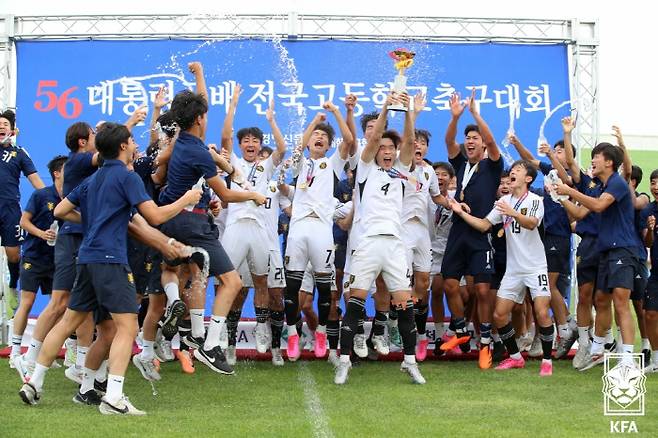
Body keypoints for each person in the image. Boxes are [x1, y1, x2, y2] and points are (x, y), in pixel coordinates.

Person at [18, 122, 201, 415]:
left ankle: (34, 382)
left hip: (87, 259)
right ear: (123, 146)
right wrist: (187, 199)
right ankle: (114, 397)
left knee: (69, 322)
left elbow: (60, 211)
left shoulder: (93, 179)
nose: (134, 145)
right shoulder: (126, 178)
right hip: (111, 261)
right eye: (131, 141)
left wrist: (92, 221)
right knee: (127, 327)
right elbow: (153, 215)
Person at [158, 86, 266, 375]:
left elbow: (170, 162)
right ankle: (210, 345)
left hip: (171, 221)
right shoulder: (198, 151)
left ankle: (187, 323)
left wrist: (222, 163)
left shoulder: (181, 141)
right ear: (199, 120)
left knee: (190, 275)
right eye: (205, 115)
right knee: (232, 283)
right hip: (193, 222)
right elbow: (227, 196)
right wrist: (254, 195)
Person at [335, 92, 426, 385]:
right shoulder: (365, 168)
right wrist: (387, 106)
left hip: (394, 245)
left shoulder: (400, 171)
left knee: (405, 304)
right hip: (368, 242)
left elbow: (410, 143)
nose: (386, 151)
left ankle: (410, 362)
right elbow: (373, 140)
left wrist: (410, 111)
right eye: (382, 147)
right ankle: (345, 361)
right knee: (356, 301)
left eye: (391, 148)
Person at [450, 160, 555, 376]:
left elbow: (532, 223)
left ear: (528, 178)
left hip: (535, 267)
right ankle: (516, 358)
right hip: (514, 269)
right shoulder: (504, 201)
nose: (513, 172)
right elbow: (484, 225)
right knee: (499, 315)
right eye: (512, 170)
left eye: (518, 170)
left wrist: (512, 212)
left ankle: (547, 360)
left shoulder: (535, 200)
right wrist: (459, 211)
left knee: (542, 312)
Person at [555, 142, 645, 368]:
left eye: (597, 157)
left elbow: (597, 206)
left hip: (624, 249)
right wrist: (560, 197)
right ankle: (597, 348)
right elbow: (580, 212)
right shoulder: (599, 187)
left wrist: (570, 191)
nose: (592, 161)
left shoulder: (617, 183)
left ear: (609, 162)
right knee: (601, 300)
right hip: (606, 251)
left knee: (621, 303)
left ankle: (627, 357)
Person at [283, 103, 353, 361]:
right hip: (299, 228)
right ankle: (292, 333)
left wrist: (336, 113)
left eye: (324, 136)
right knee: (292, 286)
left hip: (322, 229)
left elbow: (349, 140)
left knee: (325, 288)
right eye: (316, 135)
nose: (320, 138)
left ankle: (322, 331)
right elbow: (297, 148)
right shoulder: (300, 163)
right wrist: (314, 122)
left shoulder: (332, 164)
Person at [439, 90, 503, 369]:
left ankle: (486, 344)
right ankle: (461, 333)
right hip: (458, 230)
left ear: (484, 146)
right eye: (468, 138)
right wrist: (456, 118)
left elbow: (490, 140)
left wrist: (476, 114)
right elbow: (448, 141)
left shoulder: (492, 164)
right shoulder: (461, 163)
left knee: (482, 289)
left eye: (475, 138)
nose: (470, 141)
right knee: (449, 283)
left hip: (481, 233)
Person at [220, 87, 287, 354]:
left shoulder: (266, 166)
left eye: (254, 141)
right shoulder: (233, 163)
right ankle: (227, 341)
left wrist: (271, 120)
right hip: (236, 229)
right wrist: (233, 104)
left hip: (260, 231)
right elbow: (225, 136)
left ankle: (262, 330)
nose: (250, 144)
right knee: (231, 286)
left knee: (262, 282)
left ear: (260, 145)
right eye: (245, 140)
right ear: (240, 146)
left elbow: (282, 148)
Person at [9, 156, 66, 365]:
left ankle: (44, 349)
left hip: (58, 260)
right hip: (33, 257)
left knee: (58, 306)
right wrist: (42, 234)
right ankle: (15, 350)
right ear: (56, 173)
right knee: (27, 302)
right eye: (66, 168)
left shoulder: (71, 197)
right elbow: (24, 222)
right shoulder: (41, 195)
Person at [0, 109, 45, 317]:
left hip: (9, 209)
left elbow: (35, 180)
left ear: (12, 130)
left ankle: (12, 285)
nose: (1, 127)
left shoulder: (19, 153)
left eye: (5, 125)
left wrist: (50, 199)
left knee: (14, 254)